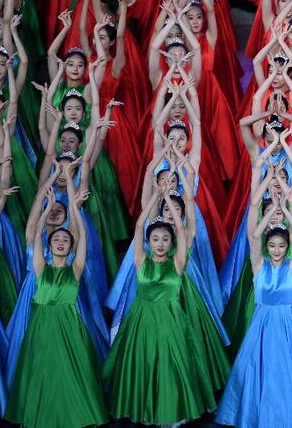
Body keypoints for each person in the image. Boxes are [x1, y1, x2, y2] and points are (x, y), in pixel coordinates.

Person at [217, 165, 292, 427]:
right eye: (272, 245)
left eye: (281, 246)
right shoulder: (258, 265)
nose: (277, 250)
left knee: (289, 375)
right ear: (267, 246)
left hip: (290, 328)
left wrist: (284, 207)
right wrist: (271, 209)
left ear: (286, 247)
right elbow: (254, 234)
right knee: (260, 373)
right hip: (262, 327)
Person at [104, 178, 217, 425]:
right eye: (155, 239)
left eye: (165, 239)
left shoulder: (177, 263)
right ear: (148, 242)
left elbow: (183, 232)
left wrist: (168, 201)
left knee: (171, 363)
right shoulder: (140, 261)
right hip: (141, 319)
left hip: (171, 319)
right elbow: (138, 226)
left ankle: (173, 409)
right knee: (143, 361)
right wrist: (156, 197)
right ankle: (144, 409)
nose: (160, 243)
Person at [5, 164, 107, 428]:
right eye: (57, 241)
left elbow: (80, 232)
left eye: (65, 240)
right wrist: (46, 207)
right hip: (42, 323)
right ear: (50, 245)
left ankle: (80, 413)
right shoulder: (41, 265)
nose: (61, 242)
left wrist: (72, 204)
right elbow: (36, 236)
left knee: (75, 369)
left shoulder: (75, 266)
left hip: (70, 325)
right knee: (42, 370)